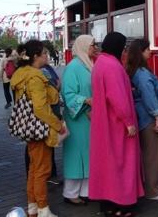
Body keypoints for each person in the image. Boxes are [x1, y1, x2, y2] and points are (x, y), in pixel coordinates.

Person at [89, 32, 143, 217]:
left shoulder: (100, 63)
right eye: (123, 47)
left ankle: (108, 205)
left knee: (106, 165)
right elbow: (117, 98)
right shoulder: (113, 66)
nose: (125, 50)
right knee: (122, 164)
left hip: (103, 124)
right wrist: (128, 122)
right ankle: (123, 205)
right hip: (117, 125)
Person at [10, 40, 65, 217]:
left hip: (30, 128)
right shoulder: (35, 77)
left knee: (34, 169)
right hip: (41, 128)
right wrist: (57, 125)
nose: (47, 56)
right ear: (35, 56)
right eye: (44, 53)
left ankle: (33, 207)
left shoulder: (21, 74)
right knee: (42, 171)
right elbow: (40, 108)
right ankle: (43, 209)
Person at [126, 39, 158, 202]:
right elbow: (149, 96)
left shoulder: (133, 70)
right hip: (148, 117)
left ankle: (146, 187)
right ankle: (153, 190)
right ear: (141, 52)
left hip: (140, 116)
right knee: (153, 155)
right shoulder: (143, 74)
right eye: (147, 49)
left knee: (146, 155)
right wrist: (157, 117)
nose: (150, 52)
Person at [61, 35, 97, 206]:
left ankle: (86, 191)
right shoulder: (73, 67)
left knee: (89, 154)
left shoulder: (88, 64)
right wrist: (86, 100)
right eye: (92, 45)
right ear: (83, 46)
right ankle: (70, 193)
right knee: (76, 156)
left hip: (89, 118)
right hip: (77, 119)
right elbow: (68, 94)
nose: (95, 47)